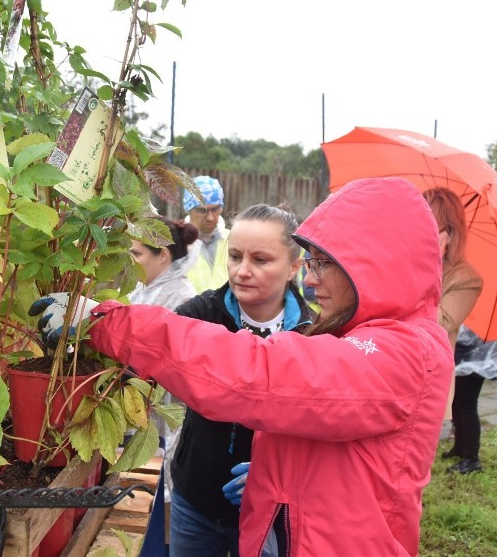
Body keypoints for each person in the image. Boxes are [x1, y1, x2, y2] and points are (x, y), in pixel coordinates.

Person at [32, 178, 453, 556]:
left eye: (325, 263)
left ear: (374, 266)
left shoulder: (404, 353)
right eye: (313, 262)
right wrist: (280, 472)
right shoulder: (353, 335)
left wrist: (110, 322)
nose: (311, 279)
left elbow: (260, 376)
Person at [168, 204, 312, 557]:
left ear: (294, 266)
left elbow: (322, 429)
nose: (242, 271)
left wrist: (277, 470)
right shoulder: (200, 315)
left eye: (261, 260)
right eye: (234, 256)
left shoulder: (313, 336)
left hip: (271, 510)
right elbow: (152, 340)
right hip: (195, 502)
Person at [127, 215, 199, 512]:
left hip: (163, 417)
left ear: (163, 255)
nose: (130, 261)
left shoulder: (182, 299)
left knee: (156, 504)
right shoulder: (145, 289)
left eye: (136, 254)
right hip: (142, 413)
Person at [422, 188, 483, 423]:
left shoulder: (466, 278)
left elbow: (440, 324)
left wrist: (430, 265)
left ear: (447, 232)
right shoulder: (400, 259)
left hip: (428, 379)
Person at [442, 325, 497, 474]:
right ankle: (460, 448)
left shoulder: (484, 309)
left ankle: (472, 460)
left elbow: (467, 338)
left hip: (474, 360)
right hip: (470, 359)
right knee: (457, 404)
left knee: (466, 407)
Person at [182, 175, 229, 292]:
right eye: (202, 210)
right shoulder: (176, 243)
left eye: (216, 209)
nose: (210, 218)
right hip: (189, 310)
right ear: (189, 209)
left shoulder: (233, 240)